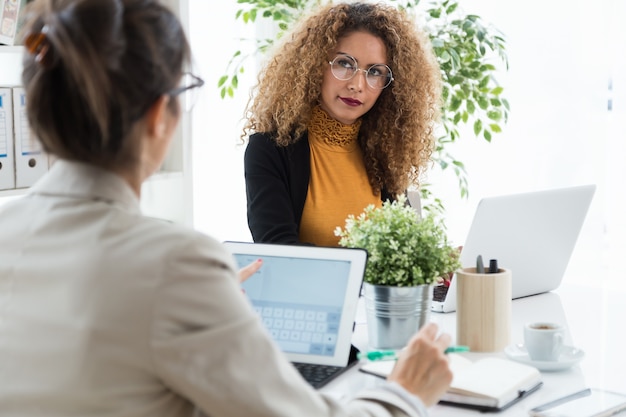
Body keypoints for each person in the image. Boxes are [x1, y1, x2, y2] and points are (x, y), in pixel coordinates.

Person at [0, 0, 453, 416]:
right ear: (162, 114)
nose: (359, 82)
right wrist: (404, 393)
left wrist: (212, 302)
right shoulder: (178, 265)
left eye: (375, 72)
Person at [243, 2, 441, 246]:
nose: (357, 84)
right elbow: (279, 248)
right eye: (345, 64)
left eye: (375, 71)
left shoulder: (385, 152)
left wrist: (436, 261)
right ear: (315, 65)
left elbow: (401, 251)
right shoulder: (270, 148)